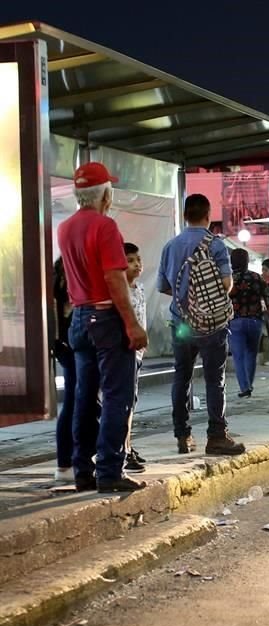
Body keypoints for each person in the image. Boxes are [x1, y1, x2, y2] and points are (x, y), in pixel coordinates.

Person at [57, 162, 148, 493]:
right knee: (116, 396)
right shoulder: (106, 226)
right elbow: (114, 278)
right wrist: (133, 324)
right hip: (107, 318)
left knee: (83, 396)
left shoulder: (65, 228)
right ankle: (110, 470)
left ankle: (83, 470)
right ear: (105, 194)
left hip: (79, 318)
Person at [157, 194, 245, 456]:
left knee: (181, 377)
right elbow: (227, 285)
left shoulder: (170, 246)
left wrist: (186, 295)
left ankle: (182, 436)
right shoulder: (216, 246)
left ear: (185, 216)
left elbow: (164, 287)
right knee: (214, 380)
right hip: (211, 325)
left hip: (181, 323)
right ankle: (217, 436)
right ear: (208, 216)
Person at [228, 248, 269, 398]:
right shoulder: (257, 278)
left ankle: (245, 387)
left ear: (232, 261)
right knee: (251, 354)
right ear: (247, 261)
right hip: (255, 322)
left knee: (238, 356)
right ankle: (248, 385)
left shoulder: (229, 279)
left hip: (235, 322)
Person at [52, 258, 77, 483]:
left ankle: (67, 462)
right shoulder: (64, 305)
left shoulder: (61, 304)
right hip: (70, 353)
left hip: (68, 352)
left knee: (74, 403)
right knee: (73, 403)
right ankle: (66, 462)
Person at [122, 242, 147, 473]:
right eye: (130, 260)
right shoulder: (122, 292)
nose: (137, 264)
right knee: (125, 404)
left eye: (138, 259)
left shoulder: (138, 289)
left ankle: (128, 446)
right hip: (125, 353)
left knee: (132, 402)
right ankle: (124, 450)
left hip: (137, 354)